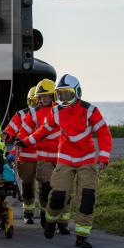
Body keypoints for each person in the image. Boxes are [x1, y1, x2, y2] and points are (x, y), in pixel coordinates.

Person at [21, 74, 112, 248]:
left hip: (87, 159)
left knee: (87, 198)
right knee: (57, 196)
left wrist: (104, 158)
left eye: (68, 94)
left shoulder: (91, 110)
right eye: (60, 94)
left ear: (77, 93)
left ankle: (82, 236)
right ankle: (50, 221)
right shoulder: (56, 111)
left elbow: (104, 133)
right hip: (65, 158)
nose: (64, 98)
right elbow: (43, 130)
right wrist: (26, 141)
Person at [33, 79, 70, 234]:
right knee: (46, 190)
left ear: (53, 96)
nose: (44, 99)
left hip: (62, 158)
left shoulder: (61, 110)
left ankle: (63, 223)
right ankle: (45, 217)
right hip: (43, 159)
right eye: (41, 97)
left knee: (65, 193)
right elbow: (26, 130)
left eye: (47, 96)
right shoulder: (33, 112)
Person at [3, 86, 38, 224]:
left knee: (46, 188)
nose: (35, 104)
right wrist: (5, 136)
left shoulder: (51, 114)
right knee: (28, 187)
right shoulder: (21, 115)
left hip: (45, 158)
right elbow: (10, 130)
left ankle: (47, 215)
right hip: (25, 158)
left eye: (38, 101)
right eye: (33, 101)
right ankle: (28, 213)